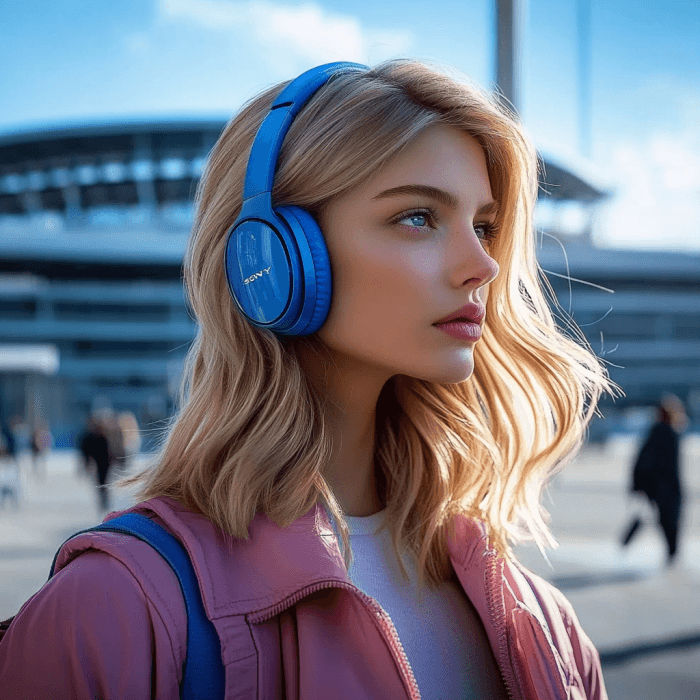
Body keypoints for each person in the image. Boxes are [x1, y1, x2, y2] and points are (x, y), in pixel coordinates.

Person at [0, 60, 619, 699]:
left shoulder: (550, 629)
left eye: (484, 225)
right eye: (418, 217)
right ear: (273, 259)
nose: (483, 265)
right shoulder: (115, 613)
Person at [620, 395, 687, 566]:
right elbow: (656, 463)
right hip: (665, 486)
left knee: (661, 520)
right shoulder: (667, 433)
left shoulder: (660, 432)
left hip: (657, 485)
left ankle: (670, 552)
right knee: (669, 521)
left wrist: (638, 484)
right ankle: (671, 553)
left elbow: (642, 461)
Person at [77, 415, 112, 512]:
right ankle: (103, 500)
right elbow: (86, 451)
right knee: (100, 482)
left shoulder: (103, 435)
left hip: (105, 463)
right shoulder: (89, 436)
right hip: (98, 462)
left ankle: (104, 499)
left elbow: (110, 450)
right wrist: (86, 463)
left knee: (103, 481)